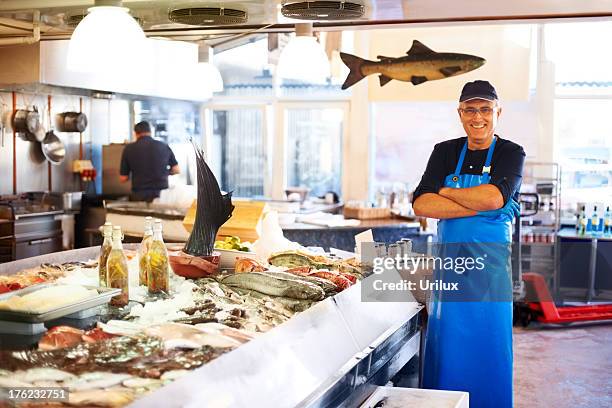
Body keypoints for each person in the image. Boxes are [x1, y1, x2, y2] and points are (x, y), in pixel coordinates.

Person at [412, 80, 525, 408]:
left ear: (497, 112)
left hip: (490, 274)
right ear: (460, 113)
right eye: (470, 109)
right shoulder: (445, 151)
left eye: (486, 109)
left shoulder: (511, 152)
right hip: (451, 268)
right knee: (447, 347)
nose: (478, 117)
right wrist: (480, 204)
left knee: (490, 347)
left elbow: (495, 196)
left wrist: (444, 192)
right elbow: (421, 204)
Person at [119, 121, 180, 202]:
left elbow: (123, 178)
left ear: (136, 133)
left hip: (139, 195)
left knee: (141, 214)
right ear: (150, 132)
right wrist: (164, 172)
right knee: (162, 215)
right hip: (162, 195)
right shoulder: (163, 146)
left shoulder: (128, 149)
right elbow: (176, 170)